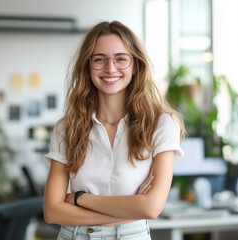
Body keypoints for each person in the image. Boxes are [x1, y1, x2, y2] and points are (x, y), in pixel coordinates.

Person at [43, 21, 185, 240]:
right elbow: (52, 212)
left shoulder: (161, 124)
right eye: (99, 59)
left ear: (135, 65)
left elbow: (151, 208)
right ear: (87, 66)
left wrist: (80, 199)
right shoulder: (67, 128)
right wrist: (130, 209)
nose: (110, 68)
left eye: (121, 58)